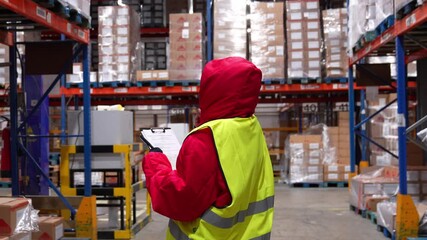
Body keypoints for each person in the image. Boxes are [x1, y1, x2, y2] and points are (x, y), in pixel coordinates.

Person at [143, 57, 275, 239]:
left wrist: (155, 163)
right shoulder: (251, 127)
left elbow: (181, 200)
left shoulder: (206, 138)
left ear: (210, 90)